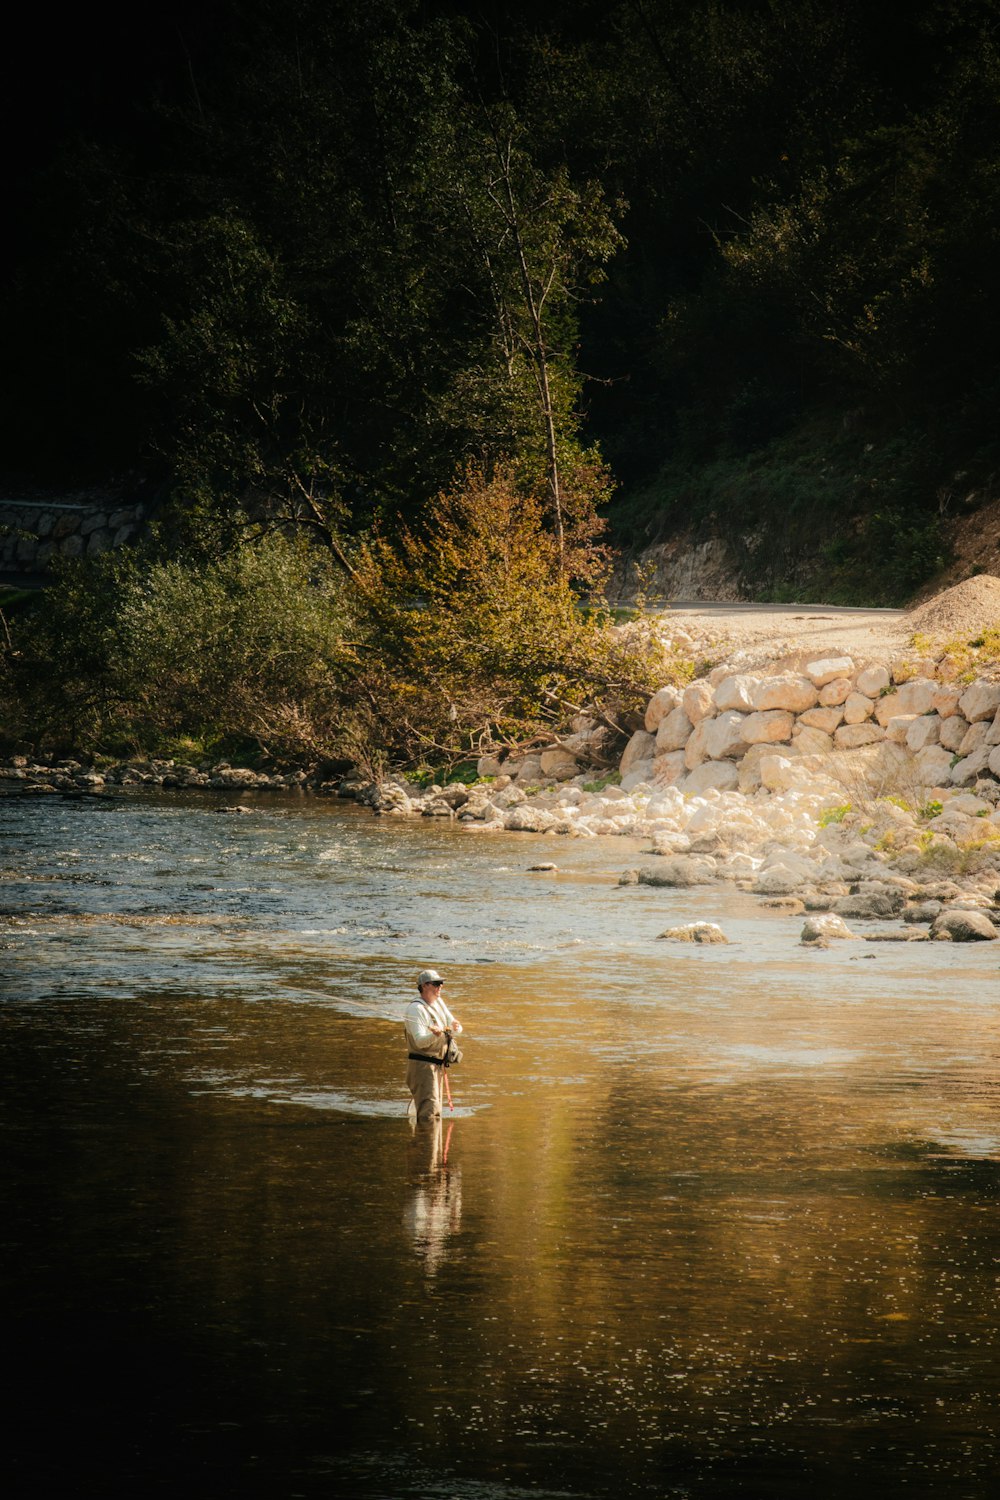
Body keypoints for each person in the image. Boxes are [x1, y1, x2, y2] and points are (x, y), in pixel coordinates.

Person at [404, 969, 463, 1123]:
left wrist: (456, 1027)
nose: (440, 987)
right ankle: (426, 1145)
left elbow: (455, 1027)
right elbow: (419, 1041)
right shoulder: (415, 1009)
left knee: (434, 1113)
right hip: (422, 1068)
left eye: (441, 983)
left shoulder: (439, 1002)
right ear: (424, 986)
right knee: (428, 1115)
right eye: (436, 984)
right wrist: (434, 1035)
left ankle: (433, 1146)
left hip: (436, 1067)